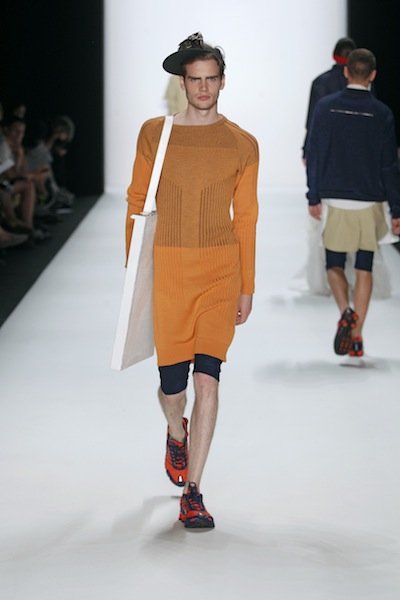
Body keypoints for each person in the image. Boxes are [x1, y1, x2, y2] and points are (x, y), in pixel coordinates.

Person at [125, 32, 259, 528]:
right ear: (182, 83)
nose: (203, 88)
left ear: (223, 81)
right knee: (172, 390)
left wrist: (247, 285)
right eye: (195, 79)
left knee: (208, 380)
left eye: (211, 79)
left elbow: (247, 217)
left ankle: (194, 492)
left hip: (221, 272)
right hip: (170, 272)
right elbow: (136, 200)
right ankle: (175, 433)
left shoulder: (242, 143)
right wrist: (133, 274)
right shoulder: (154, 134)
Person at [306, 48, 400, 358]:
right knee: (364, 266)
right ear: (373, 75)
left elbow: (315, 154)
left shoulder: (326, 107)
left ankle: (345, 311)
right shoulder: (382, 113)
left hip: (335, 199)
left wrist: (313, 195)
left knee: (333, 264)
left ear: (346, 72)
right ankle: (357, 337)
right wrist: (396, 209)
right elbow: (389, 165)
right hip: (368, 201)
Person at [303, 37, 356, 160]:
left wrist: (307, 150)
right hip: (356, 150)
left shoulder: (320, 82)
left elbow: (312, 121)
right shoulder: (363, 85)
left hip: (327, 150)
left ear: (334, 55)